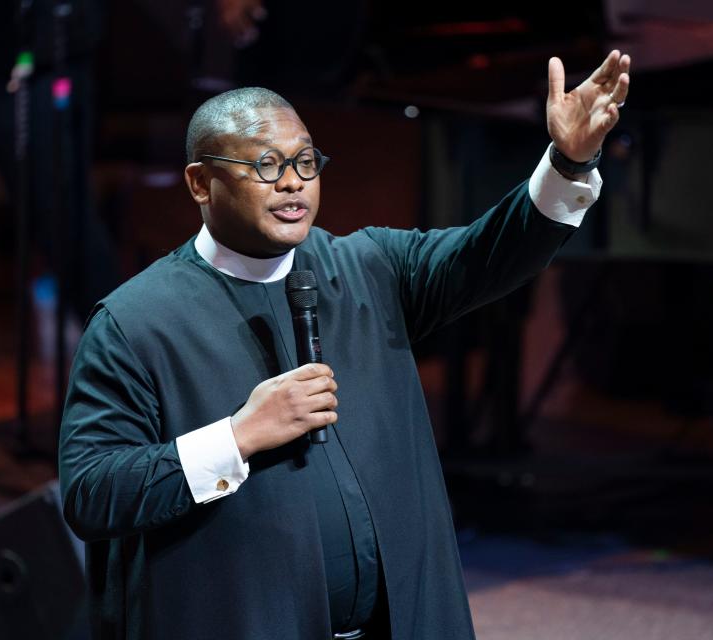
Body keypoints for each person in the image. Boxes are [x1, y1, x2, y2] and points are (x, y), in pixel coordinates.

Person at [58, 50, 631, 640]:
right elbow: (93, 491)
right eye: (265, 166)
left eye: (306, 162)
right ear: (201, 182)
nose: (292, 182)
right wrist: (238, 436)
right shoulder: (136, 322)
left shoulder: (368, 267)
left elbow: (491, 254)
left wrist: (568, 161)